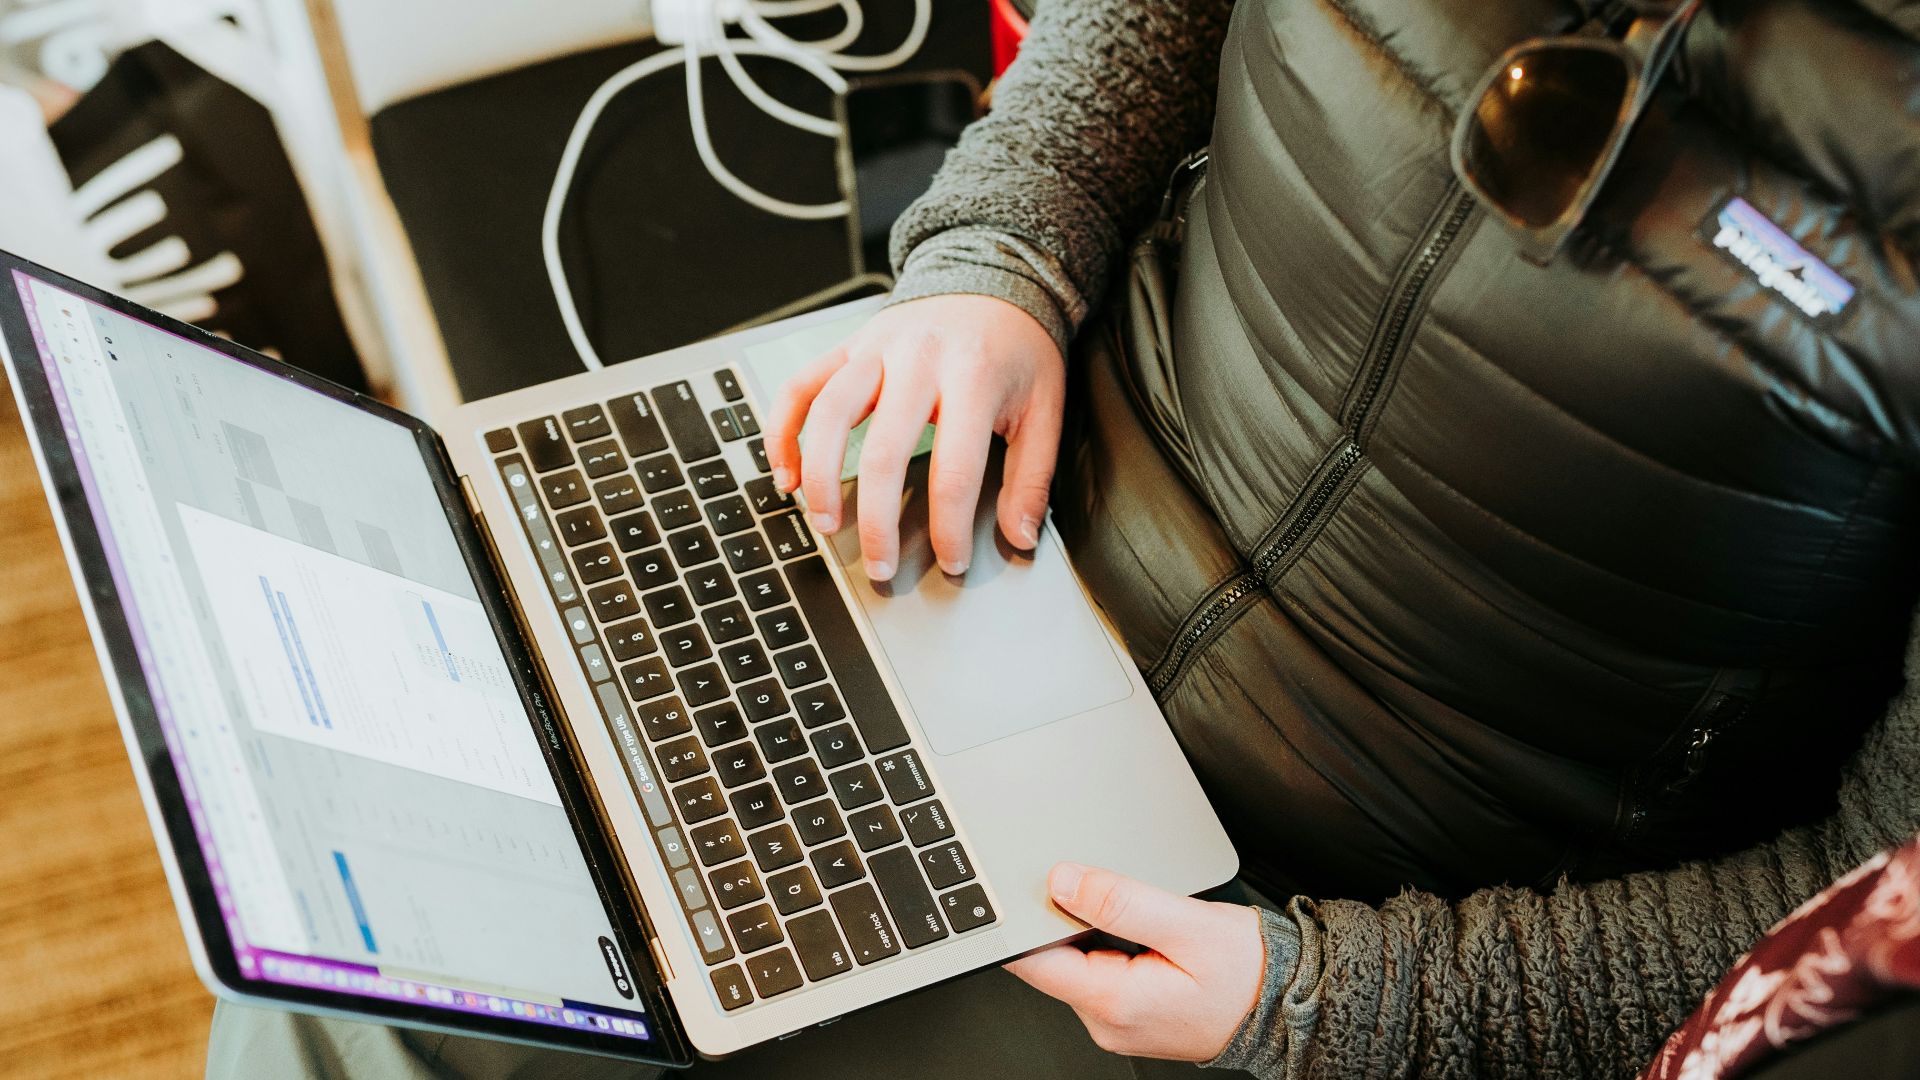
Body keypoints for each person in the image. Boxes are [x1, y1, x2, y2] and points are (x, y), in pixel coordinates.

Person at [208, 0, 1920, 1076]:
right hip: (989, 516)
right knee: (367, 912)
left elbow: (1867, 904)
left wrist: (1343, 1008)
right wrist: (996, 261)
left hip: (1373, 907)